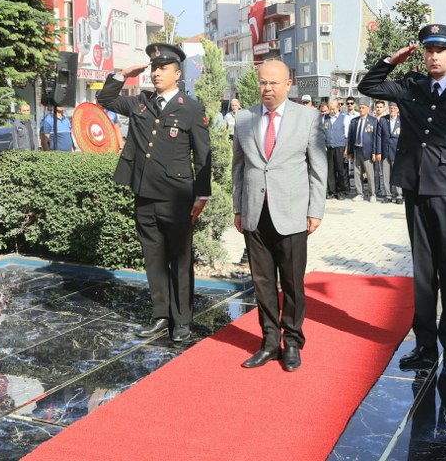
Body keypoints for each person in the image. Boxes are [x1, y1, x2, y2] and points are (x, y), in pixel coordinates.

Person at [358, 23, 446, 374]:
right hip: (416, 188)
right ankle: (425, 345)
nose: (433, 56)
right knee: (423, 272)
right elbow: (367, 86)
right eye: (428, 50)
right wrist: (391, 60)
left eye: (440, 51)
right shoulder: (412, 84)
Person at [97, 42, 212, 342]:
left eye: (162, 68)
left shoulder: (190, 108)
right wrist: (124, 74)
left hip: (177, 198)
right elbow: (105, 98)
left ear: (177, 73)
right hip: (145, 195)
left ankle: (182, 320)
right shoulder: (141, 103)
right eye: (153, 68)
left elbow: (203, 155)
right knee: (153, 258)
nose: (156, 72)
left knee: (180, 260)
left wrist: (202, 196)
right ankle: (161, 315)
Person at [232, 60, 327, 372]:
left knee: (292, 282)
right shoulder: (244, 119)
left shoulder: (308, 118)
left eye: (274, 83)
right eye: (262, 83)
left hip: (292, 213)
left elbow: (318, 169)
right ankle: (270, 341)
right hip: (255, 213)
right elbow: (239, 168)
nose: (267, 89)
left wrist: (315, 210)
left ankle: (293, 341)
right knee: (262, 282)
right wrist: (238, 207)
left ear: (289, 84)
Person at [347, 97, 379, 202]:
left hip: (368, 151)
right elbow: (351, 137)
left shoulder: (373, 121)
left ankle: (372, 194)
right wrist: (350, 151)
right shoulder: (354, 121)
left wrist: (375, 152)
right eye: (360, 108)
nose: (361, 109)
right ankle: (359, 193)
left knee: (370, 174)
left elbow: (375, 138)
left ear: (368, 109)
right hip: (357, 150)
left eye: (363, 108)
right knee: (357, 173)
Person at [375, 101, 403, 204]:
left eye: (394, 108)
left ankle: (399, 195)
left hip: (397, 152)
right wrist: (378, 152)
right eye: (391, 108)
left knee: (398, 174)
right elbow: (378, 136)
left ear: (398, 110)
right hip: (385, 151)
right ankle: (388, 194)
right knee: (385, 174)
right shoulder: (383, 120)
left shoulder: (402, 120)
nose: (392, 110)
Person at [322, 99, 349, 200]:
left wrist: (346, 149)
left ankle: (342, 191)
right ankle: (331, 191)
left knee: (341, 170)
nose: (332, 111)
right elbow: (322, 133)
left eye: (333, 109)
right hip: (329, 147)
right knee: (330, 170)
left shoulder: (344, 118)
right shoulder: (325, 118)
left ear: (338, 108)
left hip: (340, 147)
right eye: (330, 109)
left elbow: (347, 136)